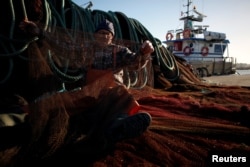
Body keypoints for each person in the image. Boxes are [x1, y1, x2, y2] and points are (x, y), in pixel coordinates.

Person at [18, 19, 154, 144]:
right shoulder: (86, 49)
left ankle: (119, 125)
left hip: (112, 94)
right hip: (90, 93)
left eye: (108, 33)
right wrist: (40, 33)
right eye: (101, 32)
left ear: (112, 36)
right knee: (61, 103)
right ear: (95, 35)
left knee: (121, 95)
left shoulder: (119, 51)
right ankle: (26, 113)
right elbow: (64, 48)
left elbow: (135, 63)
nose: (105, 36)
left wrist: (144, 52)